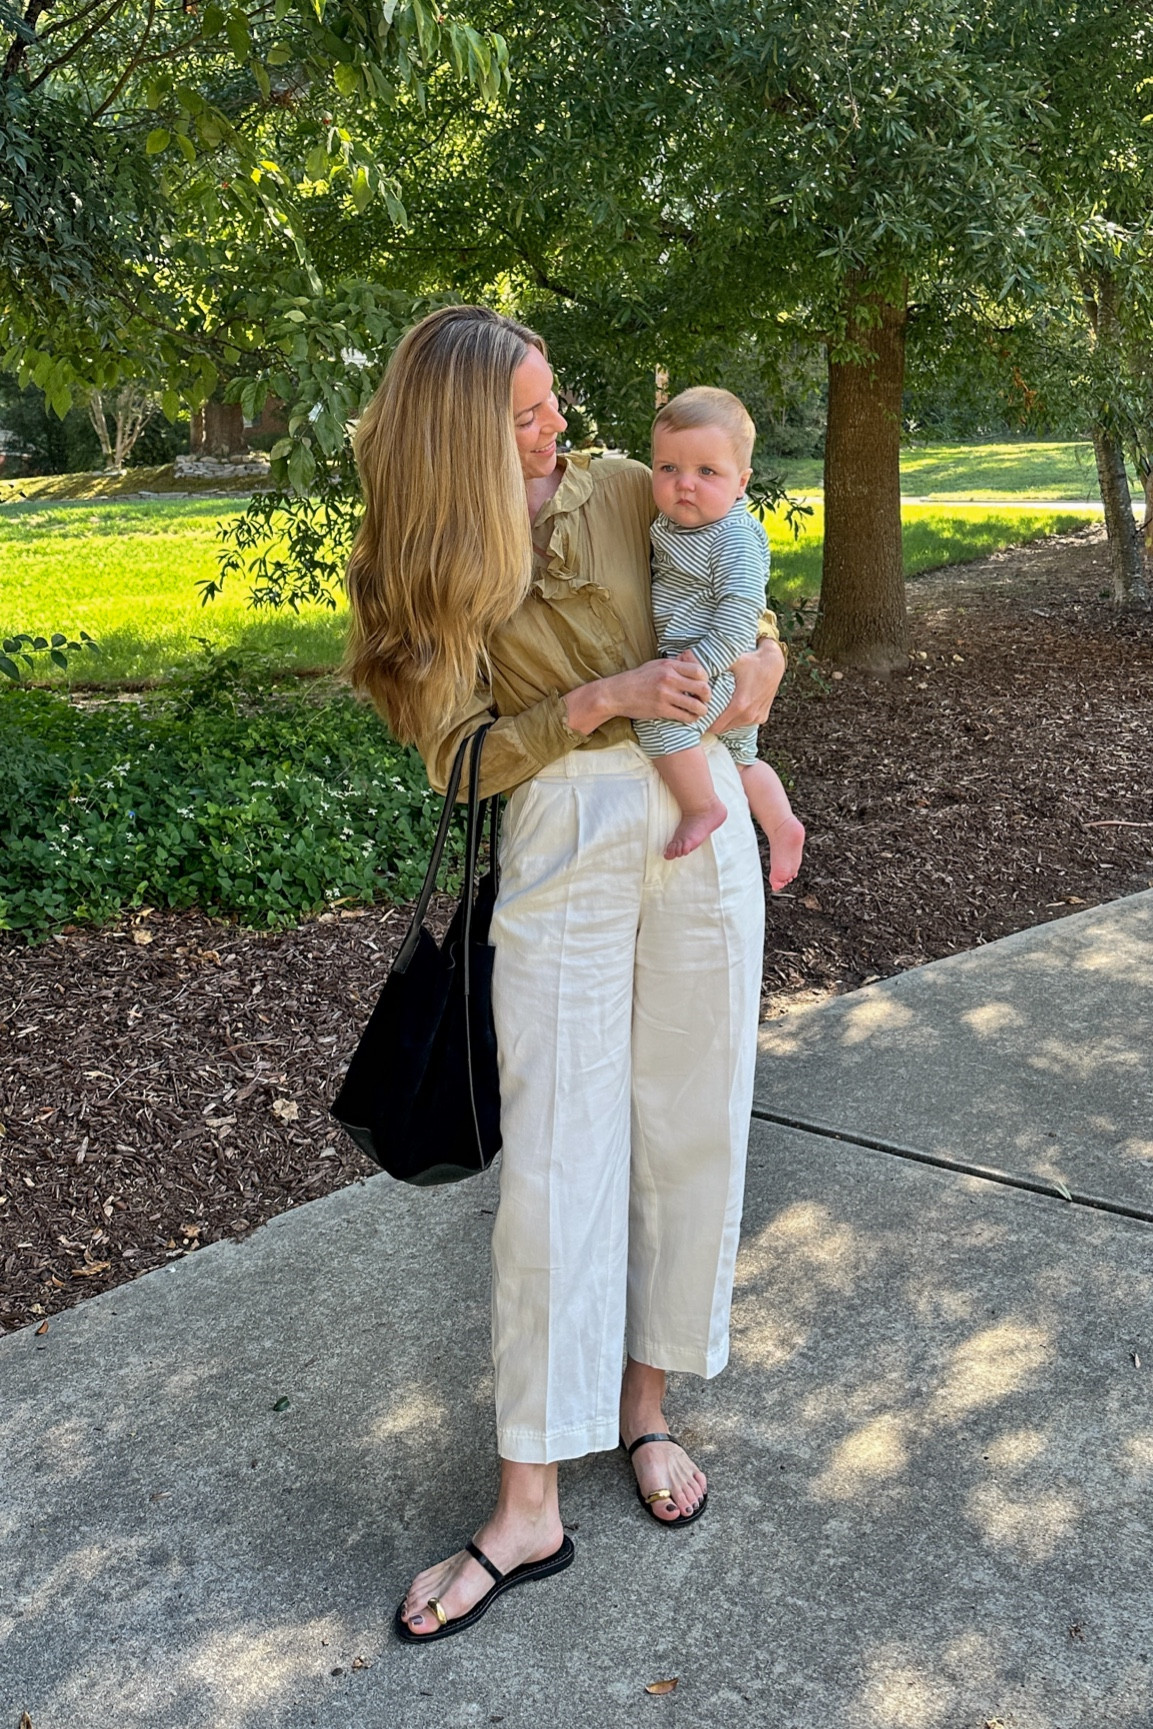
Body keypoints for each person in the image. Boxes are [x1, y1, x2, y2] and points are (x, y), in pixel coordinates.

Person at [345, 305, 787, 1643]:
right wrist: (593, 702)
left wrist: (754, 716)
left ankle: (644, 1407)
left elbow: (732, 605)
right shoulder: (416, 568)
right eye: (525, 418)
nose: (558, 434)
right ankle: (528, 1494)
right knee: (555, 1163)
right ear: (457, 439)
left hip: (692, 811)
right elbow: (460, 761)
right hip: (561, 836)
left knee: (690, 1125)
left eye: (551, 405)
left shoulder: (615, 488)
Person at [636, 386, 806, 887]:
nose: (684, 484)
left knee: (658, 722)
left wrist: (700, 662)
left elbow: (741, 612)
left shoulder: (731, 535)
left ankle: (703, 807)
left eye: (706, 472)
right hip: (712, 666)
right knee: (742, 755)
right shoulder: (674, 525)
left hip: (718, 667)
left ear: (741, 482)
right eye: (668, 469)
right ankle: (780, 824)